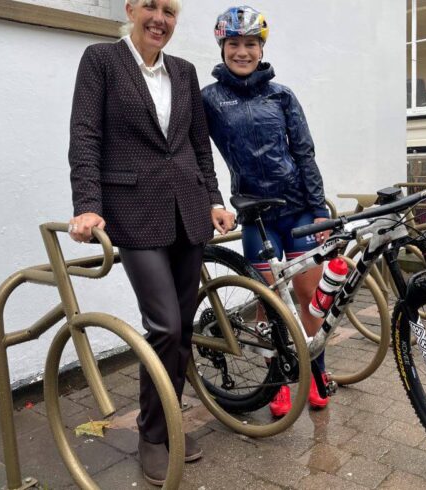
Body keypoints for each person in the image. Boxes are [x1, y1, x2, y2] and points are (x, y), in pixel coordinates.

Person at [67, 0, 235, 485]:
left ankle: (166, 423)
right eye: (151, 7)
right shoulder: (101, 60)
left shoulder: (183, 72)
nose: (159, 19)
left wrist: (214, 199)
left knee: (183, 326)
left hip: (188, 208)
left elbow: (198, 144)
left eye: (169, 11)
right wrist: (87, 203)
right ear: (131, 9)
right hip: (132, 212)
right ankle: (151, 432)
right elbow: (85, 135)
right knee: (162, 325)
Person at [202, 6, 332, 418]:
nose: (243, 52)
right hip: (254, 213)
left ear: (262, 48)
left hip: (297, 213)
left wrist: (317, 209)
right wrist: (212, 202)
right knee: (270, 302)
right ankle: (277, 377)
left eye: (251, 44)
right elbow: (195, 153)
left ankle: (315, 372)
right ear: (223, 47)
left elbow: (305, 153)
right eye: (234, 44)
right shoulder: (209, 99)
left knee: (309, 297)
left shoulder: (282, 95)